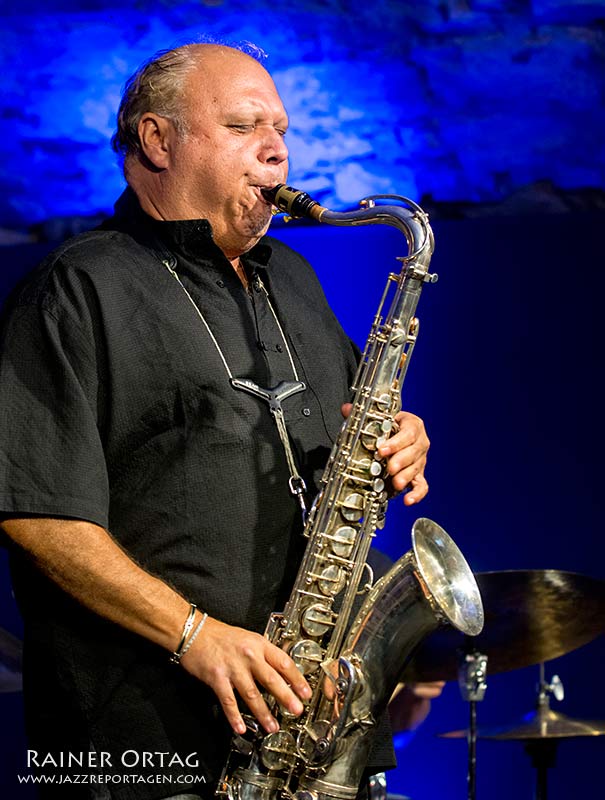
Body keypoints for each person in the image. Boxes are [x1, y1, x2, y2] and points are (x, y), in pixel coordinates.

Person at [0, 44, 432, 800]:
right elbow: (35, 512)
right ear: (158, 140)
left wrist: (402, 438)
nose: (275, 149)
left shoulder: (292, 280)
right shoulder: (77, 288)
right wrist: (195, 634)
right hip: (143, 745)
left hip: (307, 732)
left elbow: (352, 440)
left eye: (281, 129)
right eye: (241, 125)